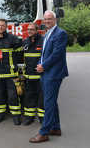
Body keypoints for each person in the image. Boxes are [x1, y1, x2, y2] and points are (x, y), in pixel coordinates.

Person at [29, 10, 69, 143]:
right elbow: (45, 53)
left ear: (55, 19)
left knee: (48, 102)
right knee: (51, 101)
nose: (47, 21)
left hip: (54, 73)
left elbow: (57, 54)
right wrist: (40, 63)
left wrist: (43, 66)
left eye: (49, 19)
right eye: (45, 19)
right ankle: (56, 128)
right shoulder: (47, 33)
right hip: (46, 72)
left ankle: (44, 132)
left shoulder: (60, 33)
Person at [0, 18, 22, 125]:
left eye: (2, 25)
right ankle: (0, 115)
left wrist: (13, 64)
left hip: (10, 73)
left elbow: (19, 53)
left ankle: (16, 116)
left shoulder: (13, 38)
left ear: (6, 27)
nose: (0, 27)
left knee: (13, 96)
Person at [22, 23, 44, 126]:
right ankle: (29, 117)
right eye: (28, 29)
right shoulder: (25, 41)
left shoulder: (43, 41)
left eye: (32, 29)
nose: (29, 31)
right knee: (29, 97)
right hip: (28, 76)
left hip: (40, 76)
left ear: (37, 30)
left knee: (41, 98)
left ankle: (42, 118)